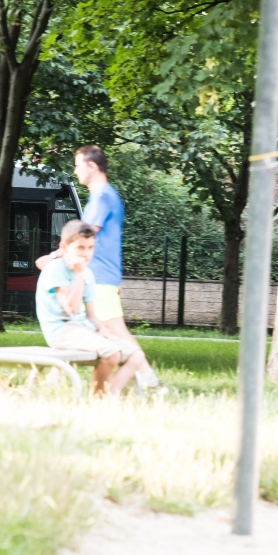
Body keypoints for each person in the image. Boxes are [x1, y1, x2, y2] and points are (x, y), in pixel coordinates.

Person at [37, 144, 160, 388]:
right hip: (102, 274)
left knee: (114, 331)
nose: (75, 171)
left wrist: (53, 257)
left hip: (98, 274)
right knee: (82, 327)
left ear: (92, 166)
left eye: (78, 165)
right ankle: (54, 378)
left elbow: (83, 235)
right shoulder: (105, 195)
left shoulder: (102, 196)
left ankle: (151, 382)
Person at [38, 220, 148, 398]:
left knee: (135, 355)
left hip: (83, 328)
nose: (86, 253)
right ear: (64, 247)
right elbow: (72, 308)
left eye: (90, 248)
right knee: (112, 353)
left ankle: (110, 396)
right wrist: (79, 274)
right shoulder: (55, 269)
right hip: (60, 331)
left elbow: (91, 315)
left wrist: (103, 329)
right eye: (80, 248)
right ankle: (97, 398)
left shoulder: (87, 273)